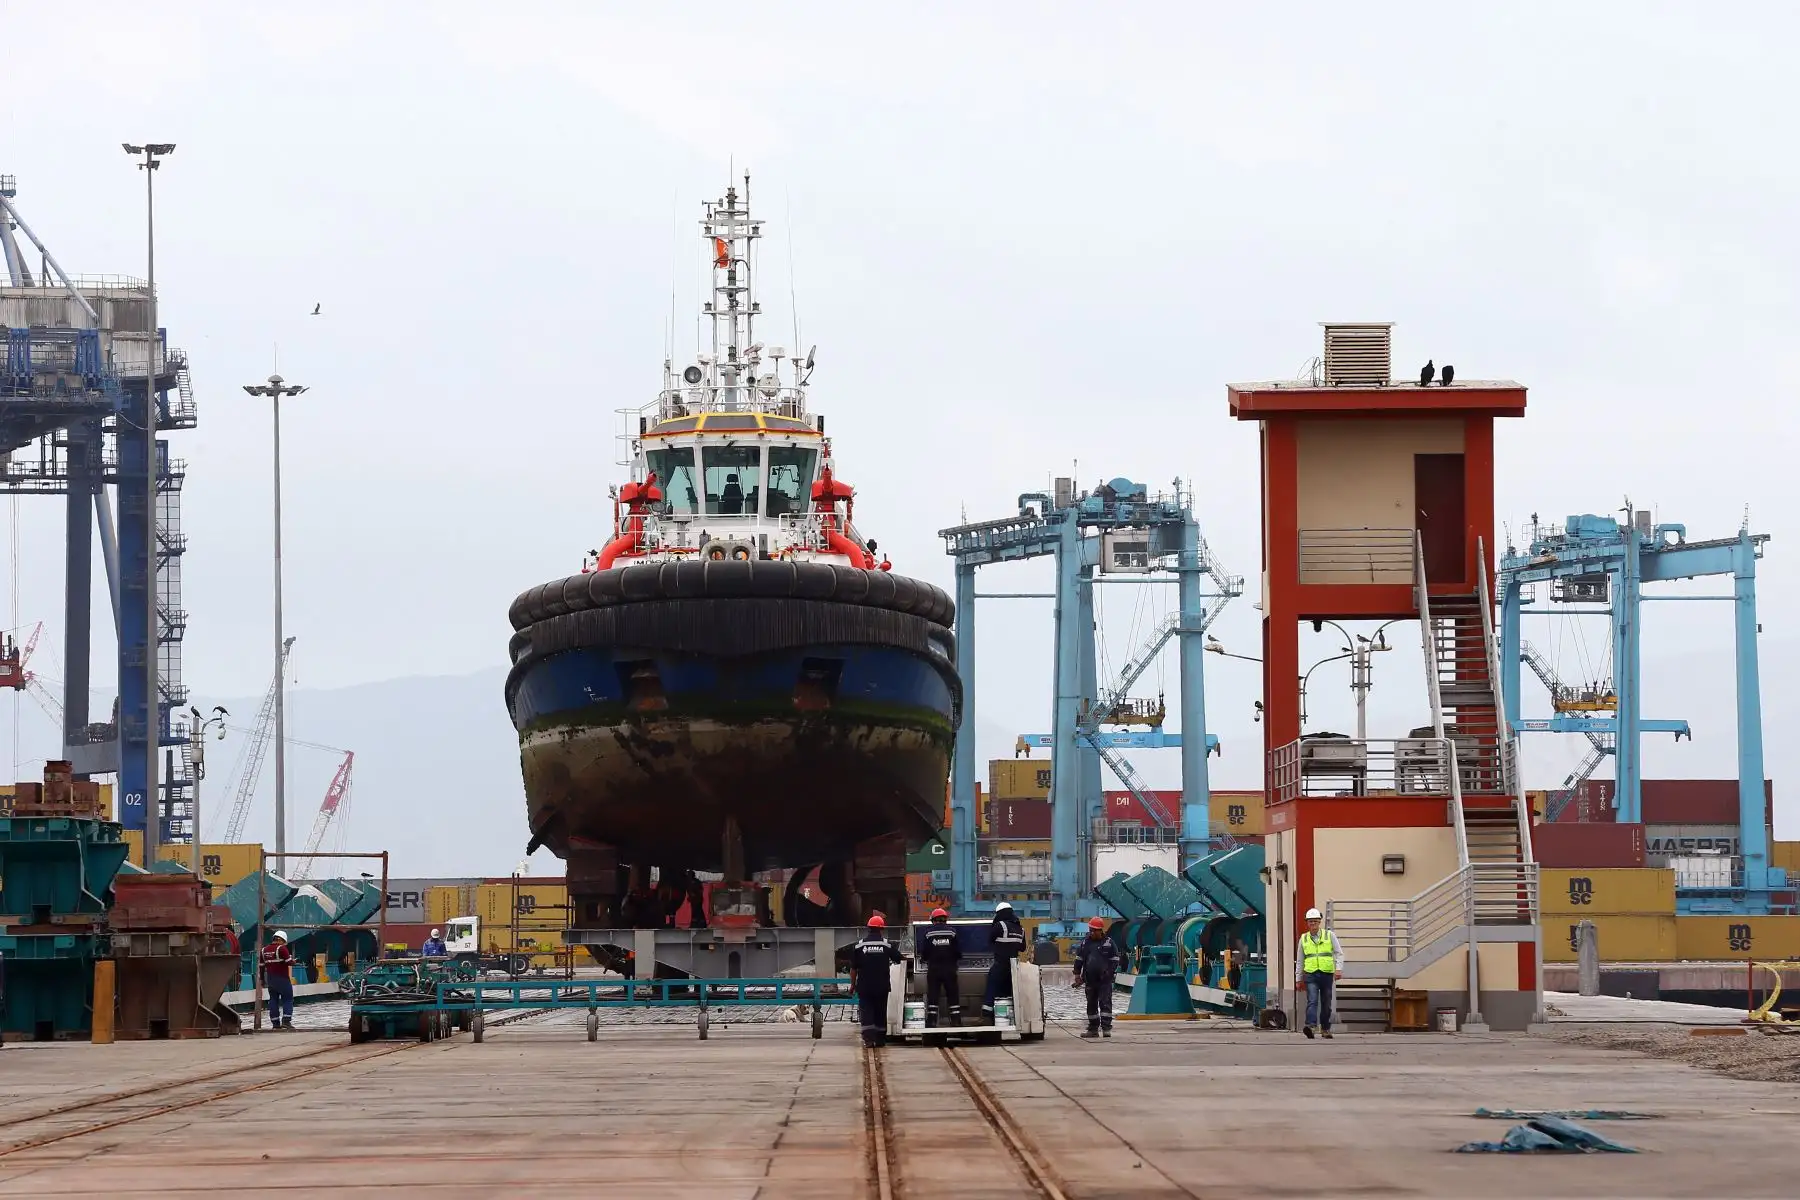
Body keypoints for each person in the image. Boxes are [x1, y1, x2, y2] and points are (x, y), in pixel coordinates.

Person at [849, 915, 903, 1047]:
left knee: (866, 1011)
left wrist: (852, 985)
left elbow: (853, 968)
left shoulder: (859, 946)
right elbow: (899, 958)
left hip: (865, 986)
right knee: (880, 1011)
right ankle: (880, 1039)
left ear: (868, 929)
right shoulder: (886, 944)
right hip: (882, 986)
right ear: (881, 929)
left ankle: (868, 1040)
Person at [1072, 916, 1122, 1038]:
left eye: (1094, 930)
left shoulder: (1109, 943)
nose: (1092, 932)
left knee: (1105, 1003)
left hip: (1104, 981)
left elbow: (1115, 960)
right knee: (1091, 1004)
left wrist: (1109, 972)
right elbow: (1079, 959)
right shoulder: (1085, 943)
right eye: (1091, 930)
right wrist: (1077, 975)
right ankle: (1093, 1029)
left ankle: (1106, 1029)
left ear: (1101, 930)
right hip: (1090, 980)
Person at [1297, 906, 1343, 1039]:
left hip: (1326, 974)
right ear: (1307, 923)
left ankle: (1325, 1029)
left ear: (1319, 922)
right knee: (1312, 1000)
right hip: (1311, 974)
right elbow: (1300, 960)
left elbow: (1339, 953)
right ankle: (1311, 1026)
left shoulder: (1329, 936)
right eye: (1310, 921)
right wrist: (1298, 979)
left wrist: (1338, 969)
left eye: (1315, 921)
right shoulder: (1304, 939)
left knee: (1326, 1003)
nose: (1313, 924)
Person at [981, 900, 1026, 1021]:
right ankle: (1007, 1017)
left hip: (1000, 964)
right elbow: (1023, 948)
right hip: (1013, 967)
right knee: (1007, 992)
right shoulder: (1021, 929)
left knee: (992, 986)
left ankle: (986, 1015)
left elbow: (990, 940)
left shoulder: (1000, 925)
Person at [918, 908, 962, 1027]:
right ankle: (956, 1020)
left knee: (933, 994)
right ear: (945, 919)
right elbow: (958, 951)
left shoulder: (928, 933)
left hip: (934, 969)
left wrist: (924, 959)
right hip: (950, 969)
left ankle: (932, 1021)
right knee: (952, 994)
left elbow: (925, 952)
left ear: (934, 920)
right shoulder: (952, 932)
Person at [260, 930, 296, 1031]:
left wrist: (262, 980)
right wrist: (294, 961)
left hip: (271, 980)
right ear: (282, 940)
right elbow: (289, 962)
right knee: (288, 999)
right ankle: (286, 1021)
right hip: (283, 979)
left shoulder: (263, 950)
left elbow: (261, 967)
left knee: (273, 1000)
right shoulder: (282, 949)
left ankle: (275, 1023)